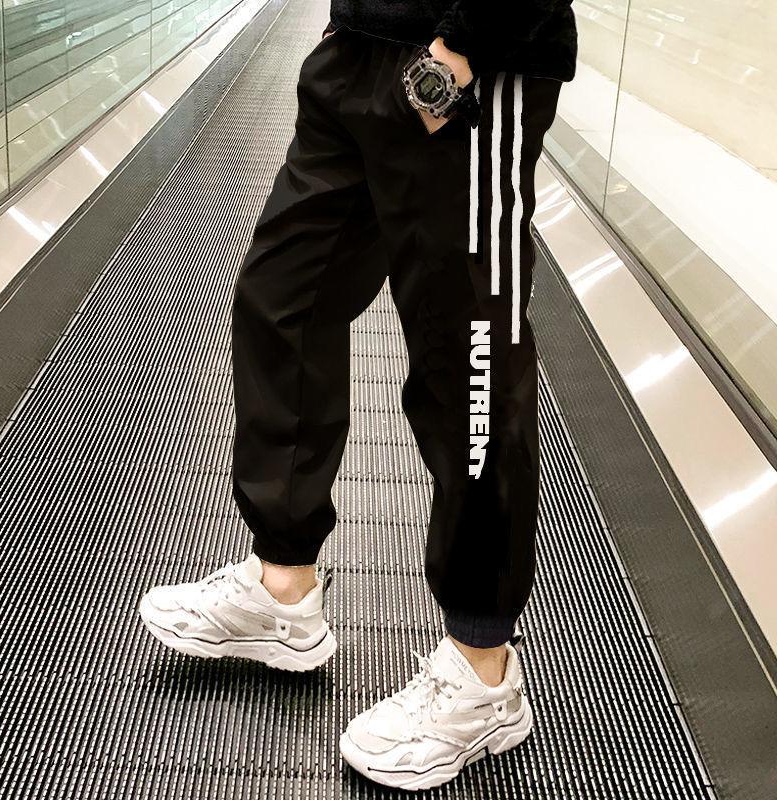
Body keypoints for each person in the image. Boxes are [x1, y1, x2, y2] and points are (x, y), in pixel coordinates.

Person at [139, 0, 578, 790]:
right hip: (359, 49)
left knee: (468, 365)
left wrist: (458, 51)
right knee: (282, 299)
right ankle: (283, 588)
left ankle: (483, 670)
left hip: (468, 67)